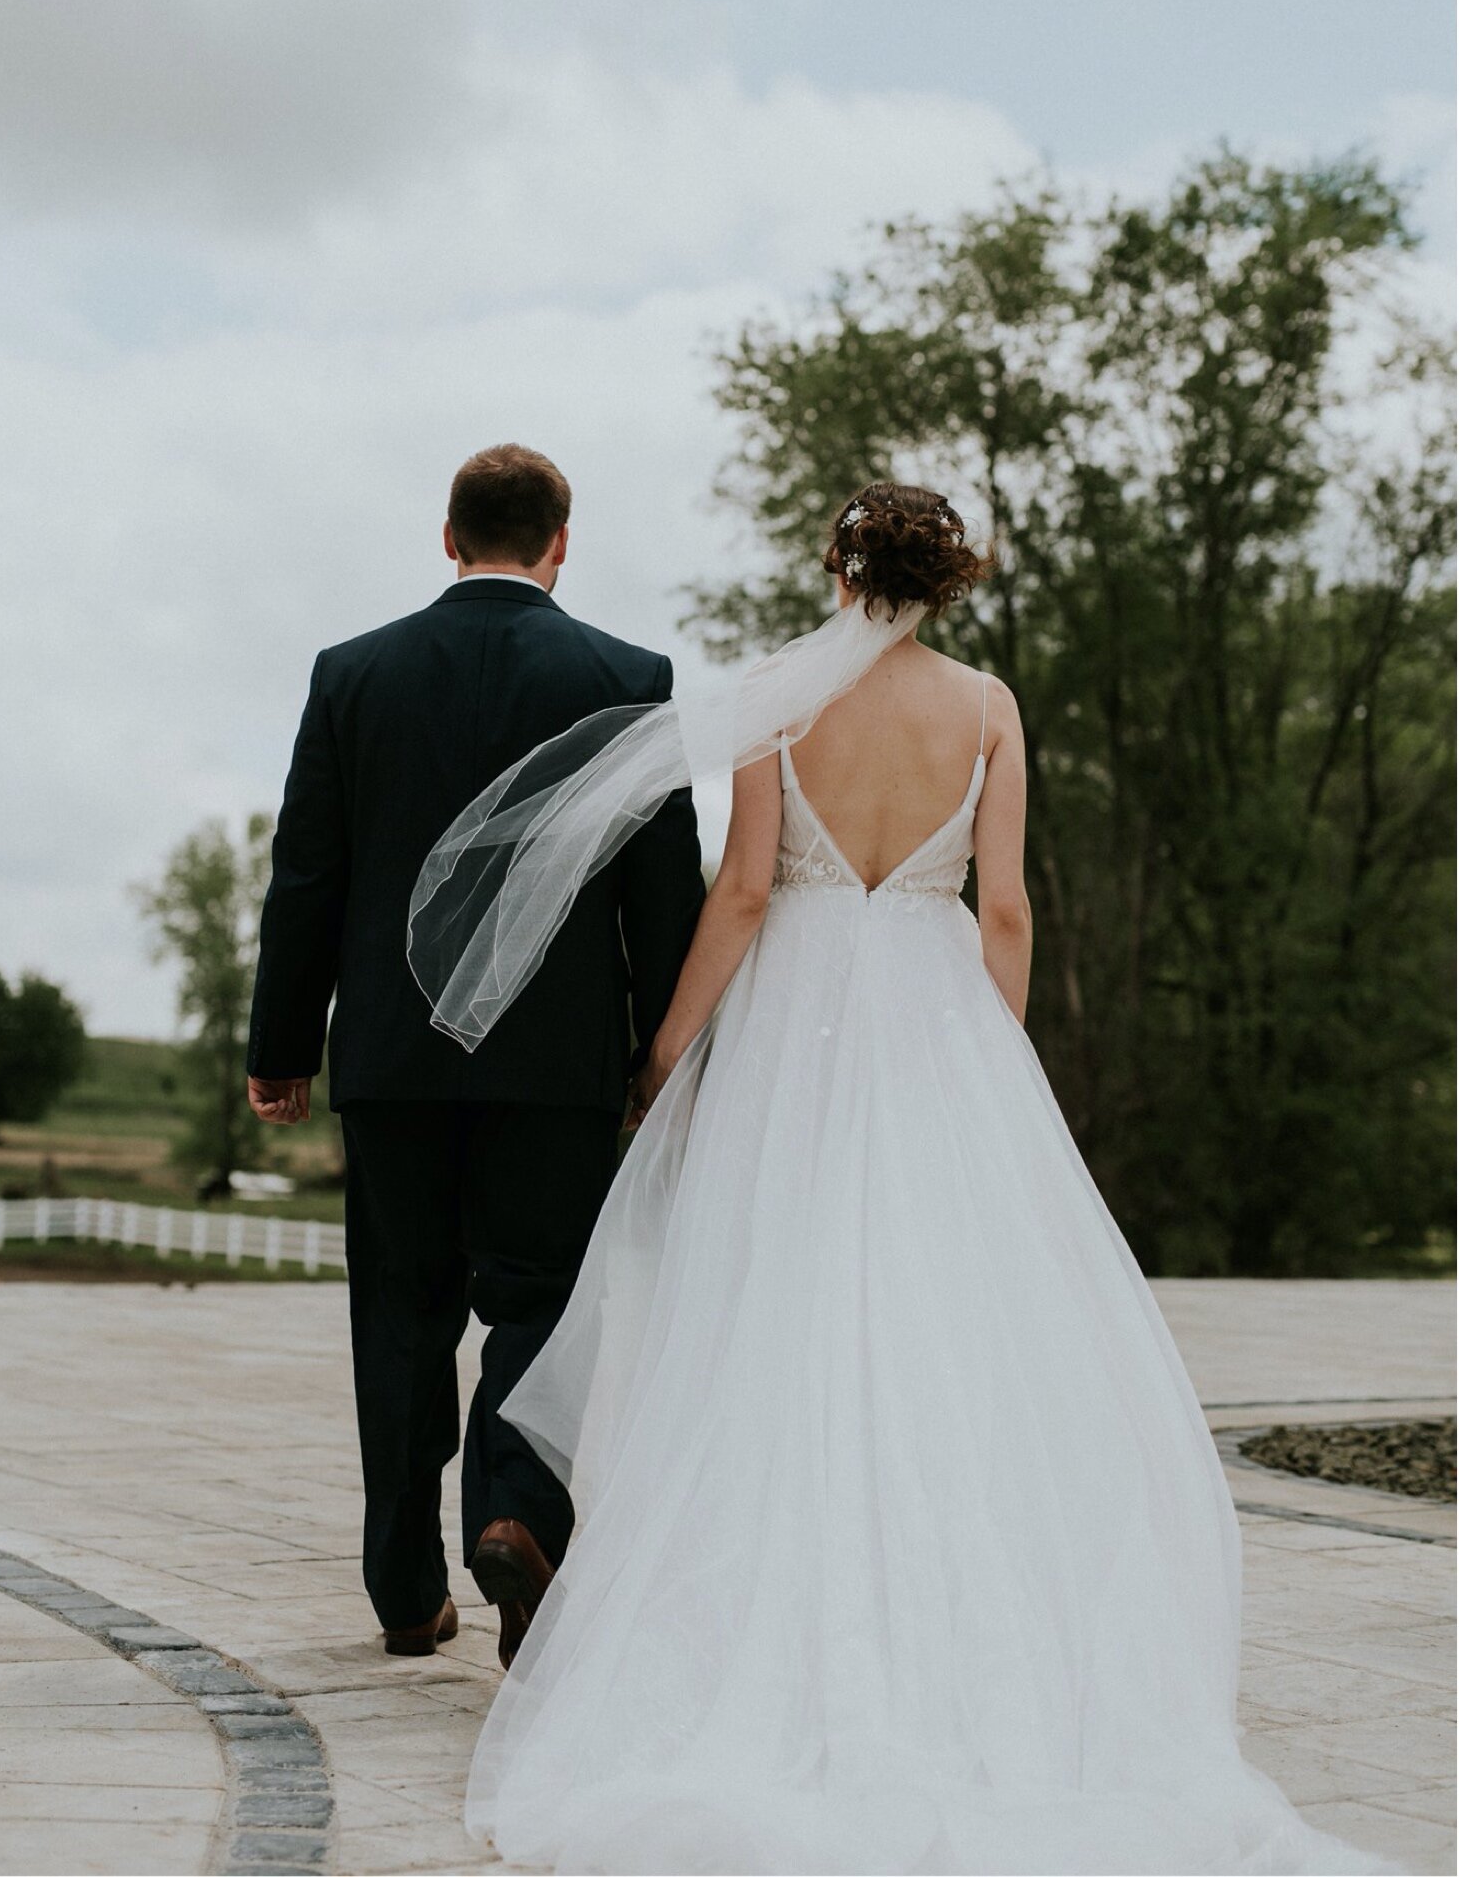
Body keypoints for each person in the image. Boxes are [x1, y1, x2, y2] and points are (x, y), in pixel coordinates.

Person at [422, 481, 1386, 1875]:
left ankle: (757, 1625)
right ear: (952, 579)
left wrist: (664, 1056)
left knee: (773, 1324)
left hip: (793, 1027)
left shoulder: (775, 698)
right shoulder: (988, 707)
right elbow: (1005, 905)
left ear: (837, 564)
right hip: (935, 1020)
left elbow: (744, 890)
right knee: (945, 1334)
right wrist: (990, 1071)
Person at [244, 443, 703, 1667]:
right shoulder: (628, 677)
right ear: (563, 543)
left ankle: (404, 1590)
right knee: (540, 1306)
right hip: (555, 1071)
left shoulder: (353, 676)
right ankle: (514, 1517)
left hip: (392, 1064)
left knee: (398, 1314)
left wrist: (282, 1043)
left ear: (448, 539)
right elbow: (664, 897)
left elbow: (308, 877)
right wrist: (665, 1055)